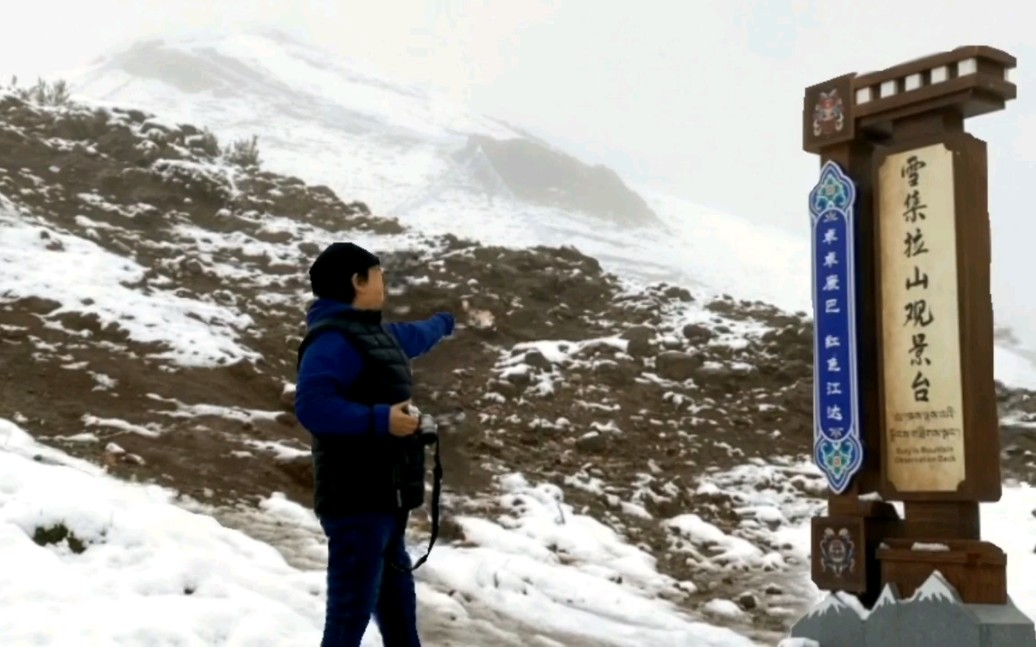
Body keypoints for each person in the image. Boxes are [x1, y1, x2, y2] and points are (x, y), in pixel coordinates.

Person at [294, 241, 454, 647]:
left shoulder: (373, 335)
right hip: (355, 501)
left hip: (385, 499)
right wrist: (382, 420)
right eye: (379, 275)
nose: (385, 283)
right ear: (357, 281)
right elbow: (313, 406)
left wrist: (446, 323)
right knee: (349, 618)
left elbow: (414, 336)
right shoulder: (332, 342)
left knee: (400, 621)